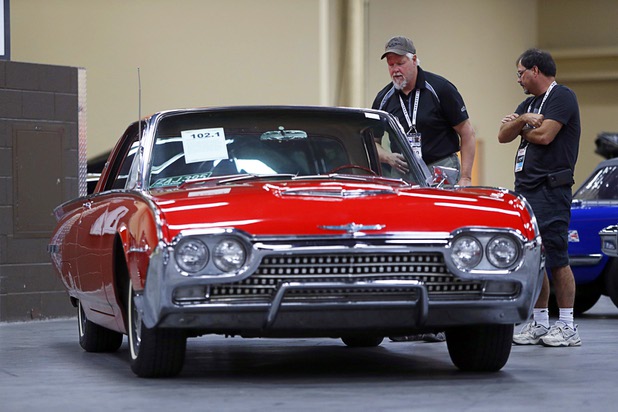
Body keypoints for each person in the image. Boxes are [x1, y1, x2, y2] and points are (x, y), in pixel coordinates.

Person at [498, 48, 581, 347]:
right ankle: (541, 323)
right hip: (527, 190)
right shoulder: (529, 103)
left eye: (521, 73)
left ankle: (569, 326)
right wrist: (523, 120)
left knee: (557, 257)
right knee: (536, 259)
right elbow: (502, 134)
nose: (518, 79)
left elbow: (545, 135)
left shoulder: (562, 97)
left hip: (551, 189)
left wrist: (521, 127)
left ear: (535, 70)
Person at [372, 36, 476, 187]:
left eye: (400, 63)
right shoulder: (383, 98)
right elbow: (372, 142)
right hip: (403, 172)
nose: (395, 70)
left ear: (414, 60)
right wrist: (387, 157)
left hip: (441, 167)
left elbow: (467, 132)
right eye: (391, 65)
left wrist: (466, 177)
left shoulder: (441, 89)